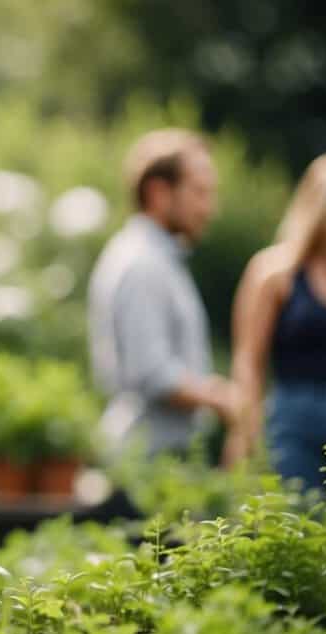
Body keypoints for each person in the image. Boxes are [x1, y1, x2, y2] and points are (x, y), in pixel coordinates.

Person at [87, 128, 240, 456]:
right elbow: (152, 373)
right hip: (146, 458)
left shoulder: (155, 258)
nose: (209, 209)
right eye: (199, 193)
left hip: (154, 456)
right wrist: (217, 396)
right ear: (159, 193)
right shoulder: (144, 264)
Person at [224, 153, 326, 488]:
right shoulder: (275, 274)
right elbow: (249, 359)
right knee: (298, 521)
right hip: (295, 421)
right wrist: (245, 429)